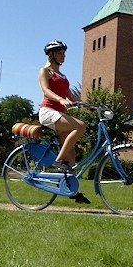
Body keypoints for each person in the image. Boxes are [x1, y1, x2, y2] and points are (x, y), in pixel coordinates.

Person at [37, 40, 91, 204]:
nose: (63, 55)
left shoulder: (63, 76)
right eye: (60, 53)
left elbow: (71, 97)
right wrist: (60, 99)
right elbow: (46, 90)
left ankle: (72, 191)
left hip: (59, 114)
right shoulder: (45, 71)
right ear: (51, 54)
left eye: (64, 53)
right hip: (47, 112)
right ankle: (58, 161)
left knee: (71, 155)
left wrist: (88, 105)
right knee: (80, 126)